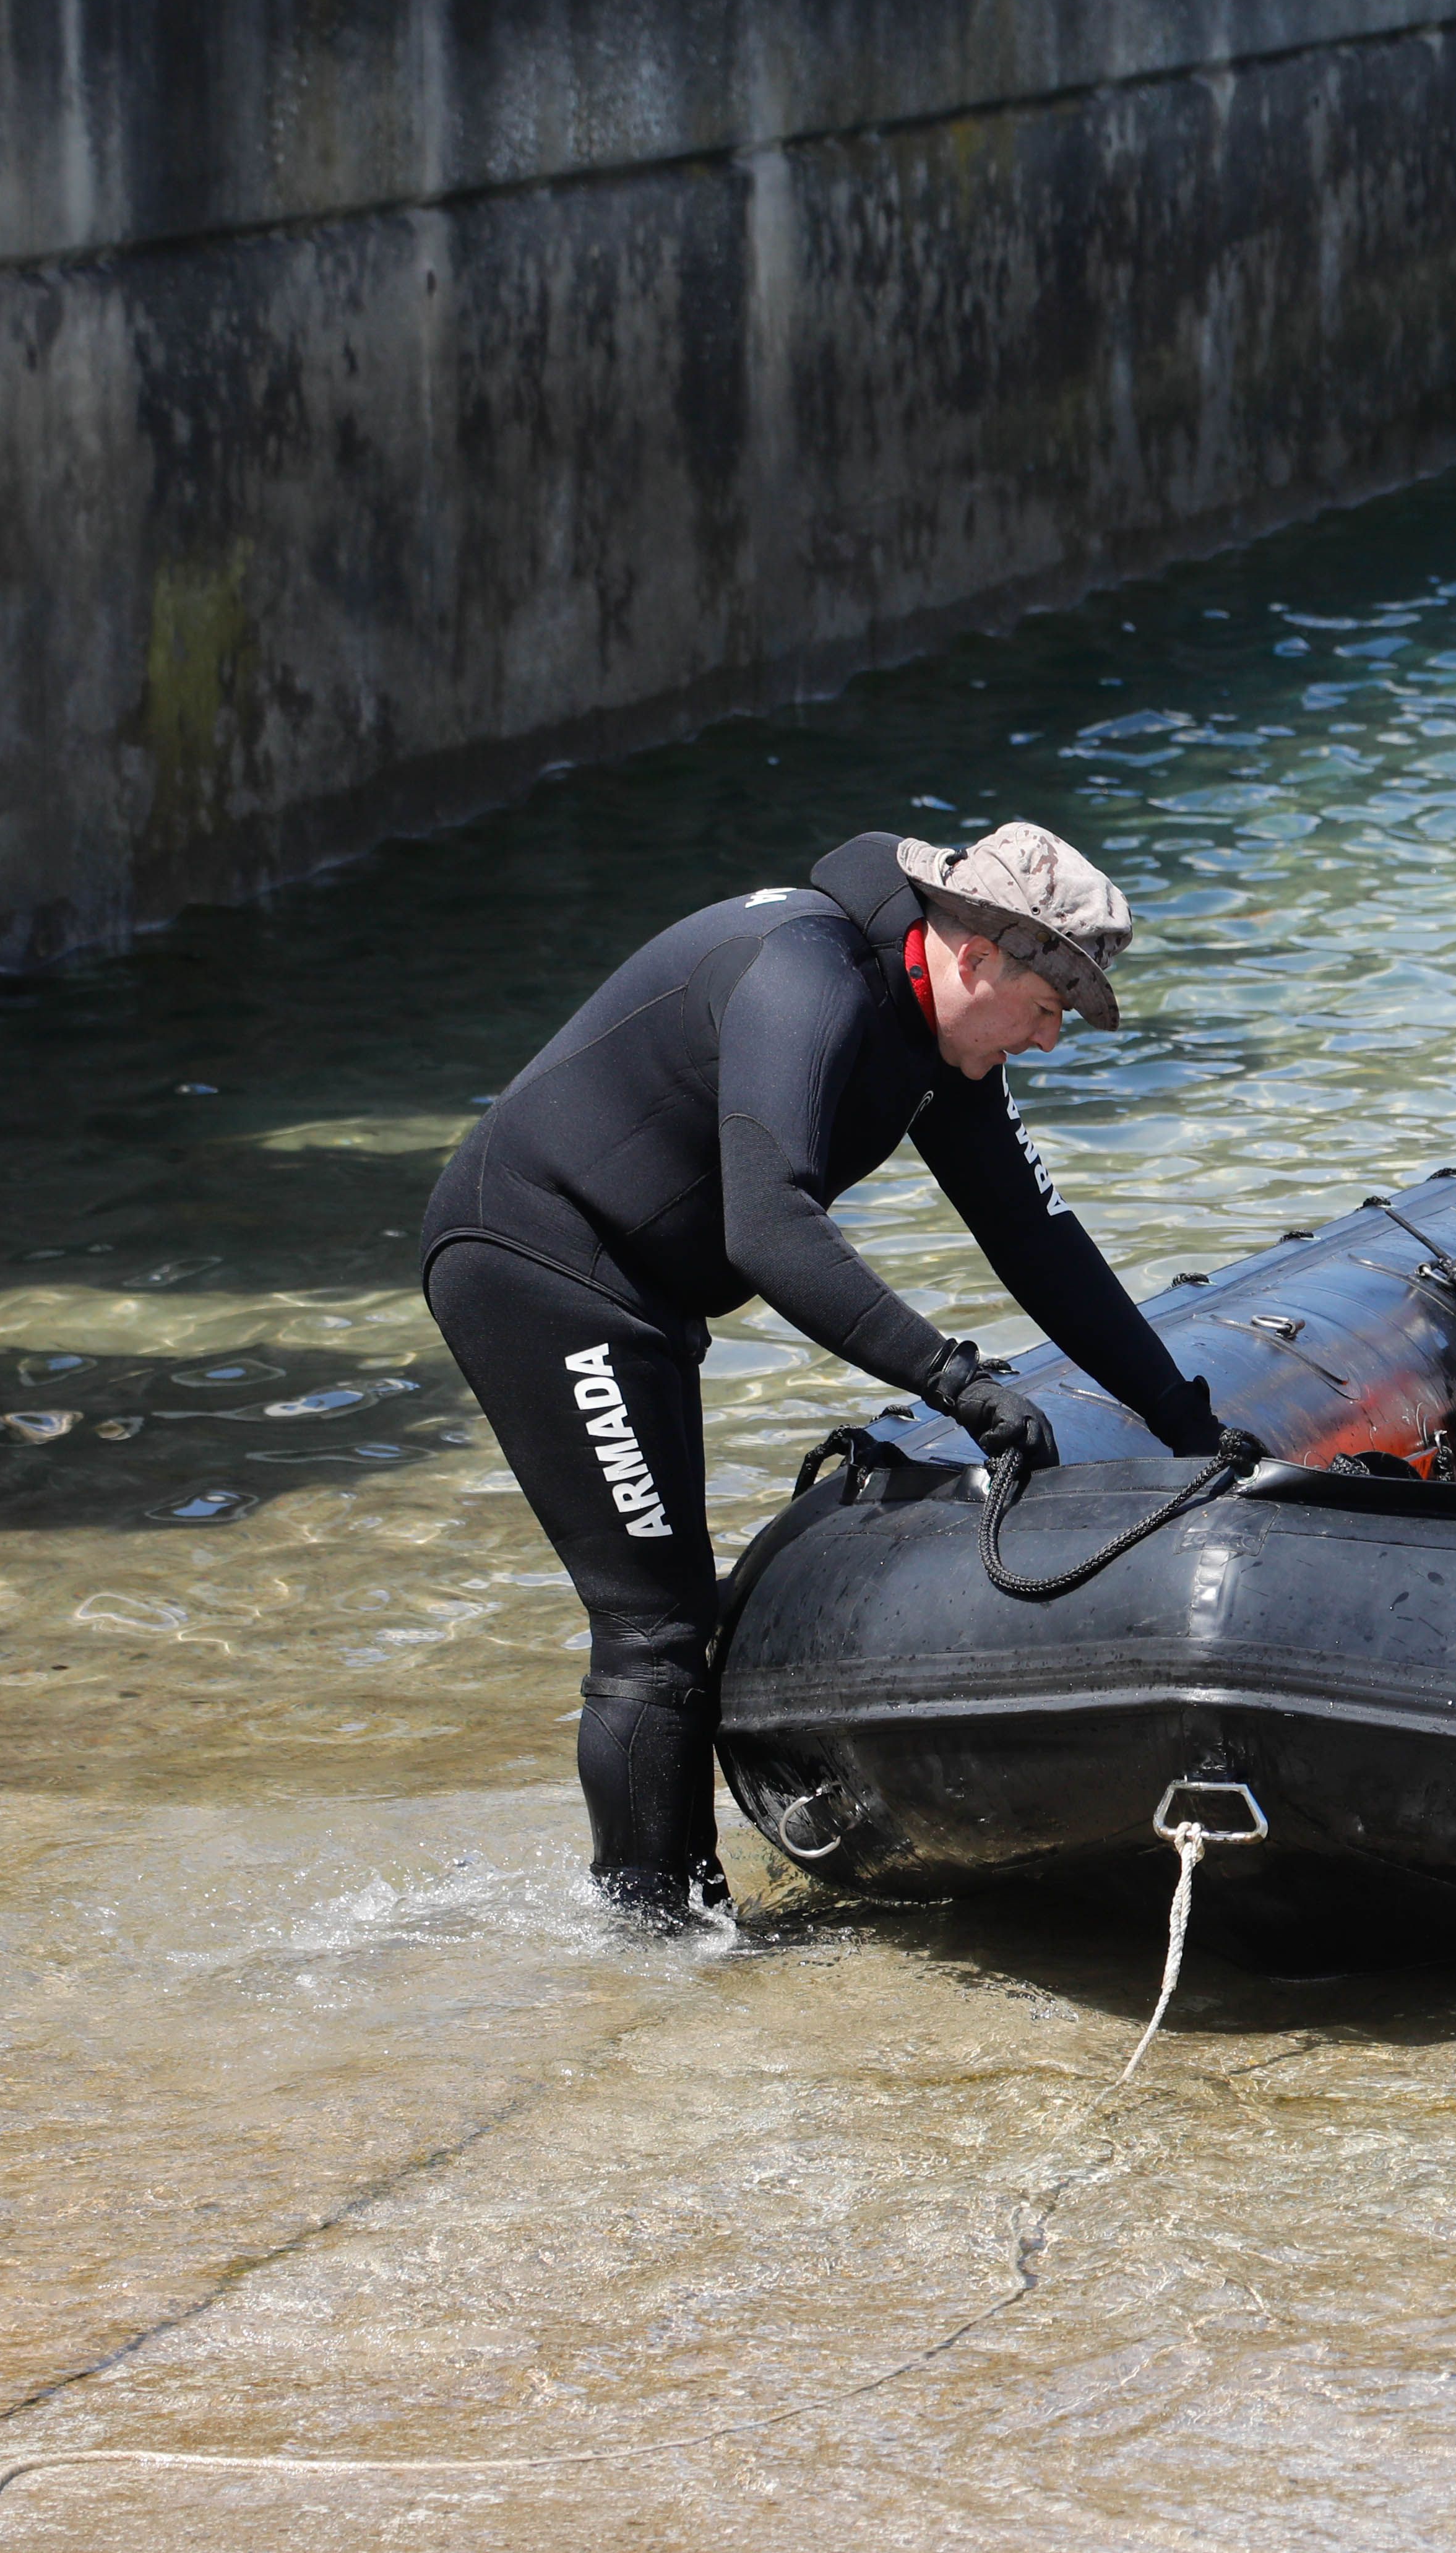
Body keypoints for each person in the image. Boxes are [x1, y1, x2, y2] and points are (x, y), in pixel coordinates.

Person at [421, 823, 1231, 1925]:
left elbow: (1037, 1240)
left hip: (644, 1290)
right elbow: (772, 1230)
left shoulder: (938, 1034)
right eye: (1049, 1011)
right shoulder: (810, 981)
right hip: (536, 1262)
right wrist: (955, 1379)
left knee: (677, 1623)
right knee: (653, 1635)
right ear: (983, 956)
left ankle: (685, 1911)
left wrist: (1188, 1422)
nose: (1048, 1043)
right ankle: (651, 1943)